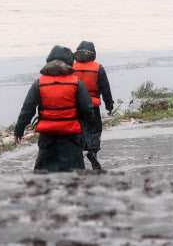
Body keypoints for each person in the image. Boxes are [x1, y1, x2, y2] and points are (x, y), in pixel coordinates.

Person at [14, 45, 95, 172]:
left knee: (44, 175)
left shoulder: (39, 83)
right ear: (69, 63)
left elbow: (27, 109)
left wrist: (18, 131)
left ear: (49, 61)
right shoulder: (77, 83)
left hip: (48, 138)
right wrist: (87, 130)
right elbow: (88, 110)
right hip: (72, 137)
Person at [73, 41, 114, 170]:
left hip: (75, 106)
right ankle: (92, 152)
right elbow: (105, 89)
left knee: (78, 131)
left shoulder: (70, 67)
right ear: (93, 53)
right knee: (95, 130)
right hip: (92, 105)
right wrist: (109, 106)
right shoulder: (98, 68)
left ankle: (78, 156)